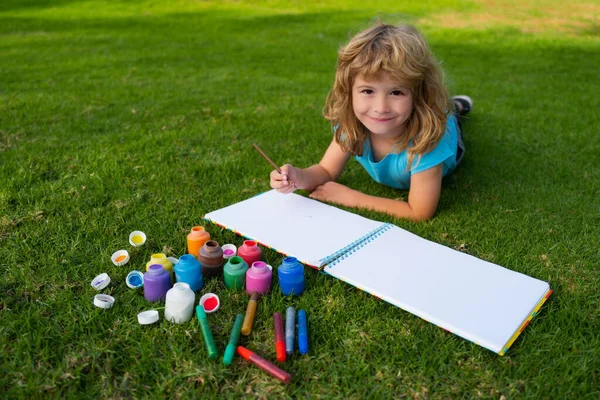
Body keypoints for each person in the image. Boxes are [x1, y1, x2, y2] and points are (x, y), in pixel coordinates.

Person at [269, 23, 473, 221]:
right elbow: (326, 171)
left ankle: (455, 107)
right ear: (349, 91)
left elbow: (419, 212)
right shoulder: (352, 127)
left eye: (396, 92)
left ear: (418, 95)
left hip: (446, 131)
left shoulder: (428, 141)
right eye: (368, 91)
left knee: (448, 116)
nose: (380, 107)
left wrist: (350, 197)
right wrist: (298, 176)